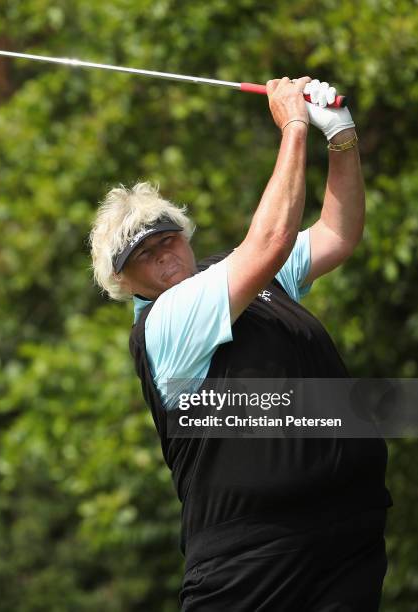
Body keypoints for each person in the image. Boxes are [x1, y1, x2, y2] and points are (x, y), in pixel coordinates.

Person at [89, 76, 393, 611]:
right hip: (251, 563)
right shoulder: (166, 320)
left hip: (346, 537)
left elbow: (336, 234)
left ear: (186, 235)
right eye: (145, 256)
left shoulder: (251, 281)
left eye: (168, 240)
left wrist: (340, 138)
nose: (164, 256)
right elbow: (271, 241)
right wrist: (294, 125)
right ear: (125, 283)